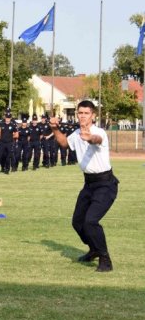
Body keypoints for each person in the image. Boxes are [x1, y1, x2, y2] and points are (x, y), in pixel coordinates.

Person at [50, 100, 118, 272]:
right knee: (77, 222)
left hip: (105, 184)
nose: (82, 116)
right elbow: (65, 144)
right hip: (89, 183)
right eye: (80, 113)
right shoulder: (76, 133)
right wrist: (55, 129)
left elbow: (97, 140)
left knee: (91, 221)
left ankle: (105, 259)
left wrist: (89, 139)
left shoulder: (98, 132)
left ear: (93, 116)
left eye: (86, 113)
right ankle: (94, 249)